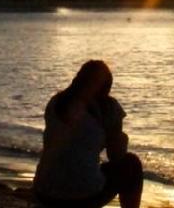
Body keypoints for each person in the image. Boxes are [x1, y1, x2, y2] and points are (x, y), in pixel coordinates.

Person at [33, 60, 144, 208]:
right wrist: (120, 137)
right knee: (131, 163)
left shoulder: (56, 102)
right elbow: (116, 156)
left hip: (43, 192)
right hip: (81, 197)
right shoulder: (108, 108)